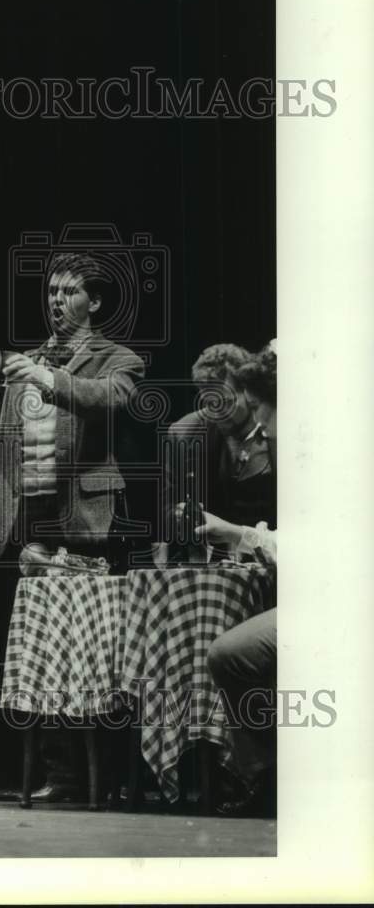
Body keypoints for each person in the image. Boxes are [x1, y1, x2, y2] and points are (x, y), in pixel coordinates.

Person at [0, 251, 146, 802]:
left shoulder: (118, 358)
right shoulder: (28, 362)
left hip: (90, 521)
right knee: (47, 648)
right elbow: (7, 444)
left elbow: (112, 400)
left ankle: (116, 777)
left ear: (94, 301)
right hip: (38, 518)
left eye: (70, 291)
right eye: (51, 290)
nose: (56, 299)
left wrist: (48, 378)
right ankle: (61, 772)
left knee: (99, 652)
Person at [201, 342, 278, 816]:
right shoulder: (201, 437)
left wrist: (241, 537)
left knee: (230, 651)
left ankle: (260, 774)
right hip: (249, 566)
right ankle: (248, 772)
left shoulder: (284, 439)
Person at [163, 342, 276, 552]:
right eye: (209, 403)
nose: (217, 414)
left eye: (226, 402)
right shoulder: (184, 434)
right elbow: (166, 509)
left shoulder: (276, 424)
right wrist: (179, 515)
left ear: (249, 392)